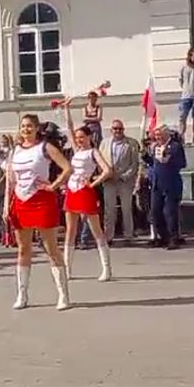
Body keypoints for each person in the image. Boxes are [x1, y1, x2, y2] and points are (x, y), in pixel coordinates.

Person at [4, 113, 74, 311]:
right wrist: (6, 205)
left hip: (41, 199)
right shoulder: (14, 150)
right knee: (23, 249)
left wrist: (54, 185)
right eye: (23, 126)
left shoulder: (45, 147)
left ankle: (63, 294)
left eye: (29, 126)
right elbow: (11, 179)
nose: (26, 129)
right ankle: (22, 294)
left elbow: (67, 168)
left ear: (37, 129)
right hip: (20, 200)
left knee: (50, 248)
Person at [63, 100, 114, 280]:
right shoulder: (76, 150)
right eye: (77, 138)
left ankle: (106, 268)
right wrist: (67, 108)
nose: (78, 140)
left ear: (89, 137)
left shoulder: (93, 152)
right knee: (70, 230)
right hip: (71, 189)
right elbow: (68, 127)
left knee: (95, 229)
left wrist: (92, 183)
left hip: (85, 191)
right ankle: (67, 268)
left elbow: (107, 170)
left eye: (82, 137)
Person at [100, 120, 141, 243]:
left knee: (126, 209)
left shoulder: (131, 143)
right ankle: (108, 236)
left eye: (120, 129)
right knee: (109, 210)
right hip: (109, 180)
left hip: (125, 181)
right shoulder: (104, 143)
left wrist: (125, 176)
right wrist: (105, 174)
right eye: (115, 128)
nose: (117, 131)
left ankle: (128, 235)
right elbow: (100, 160)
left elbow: (134, 164)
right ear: (111, 130)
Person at [146, 125, 186, 250]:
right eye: (156, 135)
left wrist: (169, 159)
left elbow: (182, 163)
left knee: (170, 212)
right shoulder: (156, 147)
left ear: (167, 135)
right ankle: (163, 236)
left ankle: (174, 238)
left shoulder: (175, 147)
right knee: (155, 212)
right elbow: (153, 164)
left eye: (160, 135)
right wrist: (145, 155)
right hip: (157, 184)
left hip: (171, 183)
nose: (158, 138)